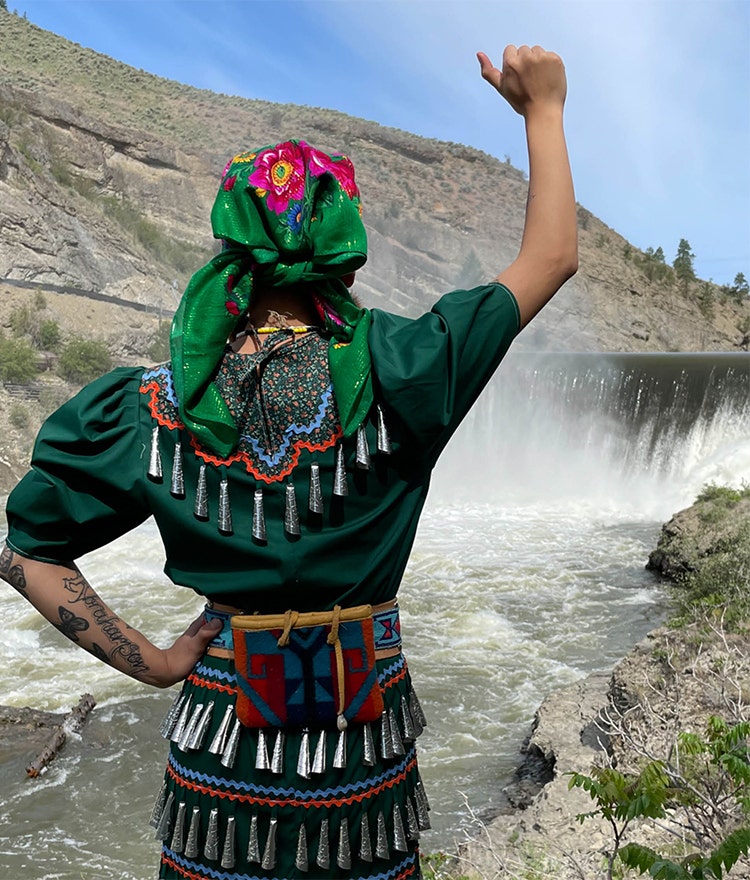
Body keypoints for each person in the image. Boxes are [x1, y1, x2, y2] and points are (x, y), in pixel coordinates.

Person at [1, 44, 576, 880]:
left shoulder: (147, 409)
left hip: (222, 764)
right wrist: (545, 112)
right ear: (344, 245)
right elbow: (552, 257)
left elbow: (26, 550)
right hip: (361, 763)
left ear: (232, 244)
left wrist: (159, 664)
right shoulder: (406, 366)